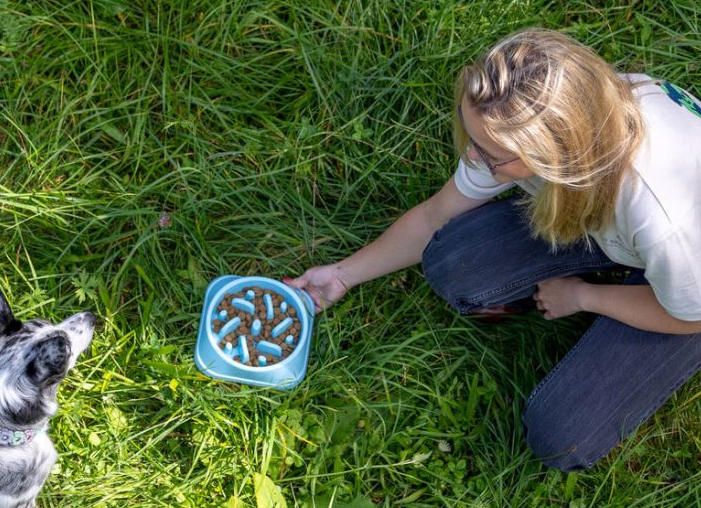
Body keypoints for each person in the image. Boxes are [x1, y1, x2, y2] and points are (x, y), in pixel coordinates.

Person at [284, 27, 701, 472]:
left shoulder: (662, 217)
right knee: (452, 265)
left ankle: (628, 281)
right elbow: (434, 218)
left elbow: (690, 317)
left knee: (561, 439)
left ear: (554, 155)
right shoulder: (531, 119)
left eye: (492, 156)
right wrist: (343, 274)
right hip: (603, 214)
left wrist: (582, 295)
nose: (475, 158)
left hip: (690, 285)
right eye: (472, 135)